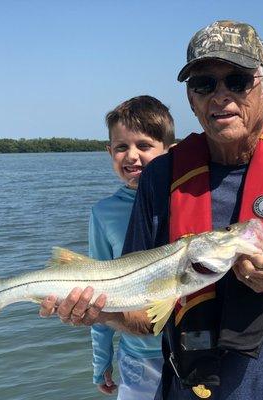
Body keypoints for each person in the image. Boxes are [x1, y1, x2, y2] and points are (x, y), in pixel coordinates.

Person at [40, 20, 263, 400]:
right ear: (190, 100)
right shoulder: (160, 178)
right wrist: (98, 312)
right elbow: (143, 319)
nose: (220, 96)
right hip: (189, 385)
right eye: (204, 84)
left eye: (237, 80)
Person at [88, 95, 174, 398]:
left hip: (196, 352)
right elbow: (98, 294)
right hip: (137, 357)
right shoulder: (103, 213)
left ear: (169, 150)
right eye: (122, 147)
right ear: (110, 152)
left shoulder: (186, 201)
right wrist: (101, 362)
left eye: (145, 146)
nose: (132, 156)